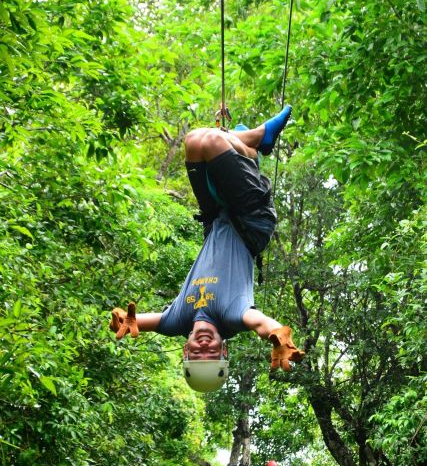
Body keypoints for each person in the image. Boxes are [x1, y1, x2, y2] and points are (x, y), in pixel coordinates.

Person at [110, 106, 305, 392]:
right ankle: (256, 139)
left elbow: (139, 321)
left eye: (196, 354)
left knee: (193, 142)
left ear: (185, 350)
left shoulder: (177, 321)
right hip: (250, 221)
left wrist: (125, 322)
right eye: (211, 354)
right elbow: (260, 323)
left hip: (216, 220)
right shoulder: (232, 316)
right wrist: (276, 334)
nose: (203, 347)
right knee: (213, 142)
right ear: (223, 350)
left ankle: (250, 146)